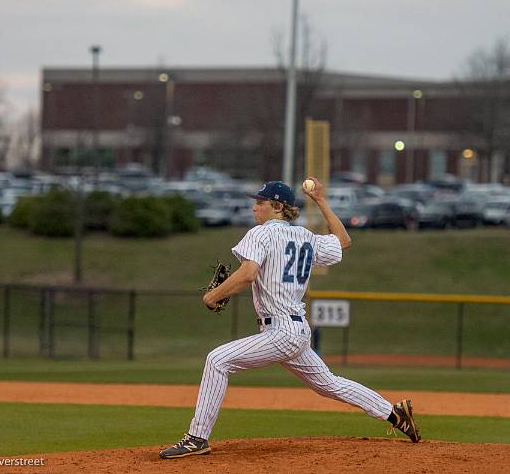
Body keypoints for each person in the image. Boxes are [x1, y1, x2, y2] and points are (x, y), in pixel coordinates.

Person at [159, 178, 420, 459]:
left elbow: (247, 274)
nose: (254, 207)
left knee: (217, 360)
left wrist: (213, 296)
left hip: (280, 331)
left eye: (260, 202)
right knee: (328, 384)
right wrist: (320, 200)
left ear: (277, 206)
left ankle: (197, 438)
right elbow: (344, 241)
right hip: (296, 330)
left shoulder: (260, 234)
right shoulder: (305, 236)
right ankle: (394, 414)